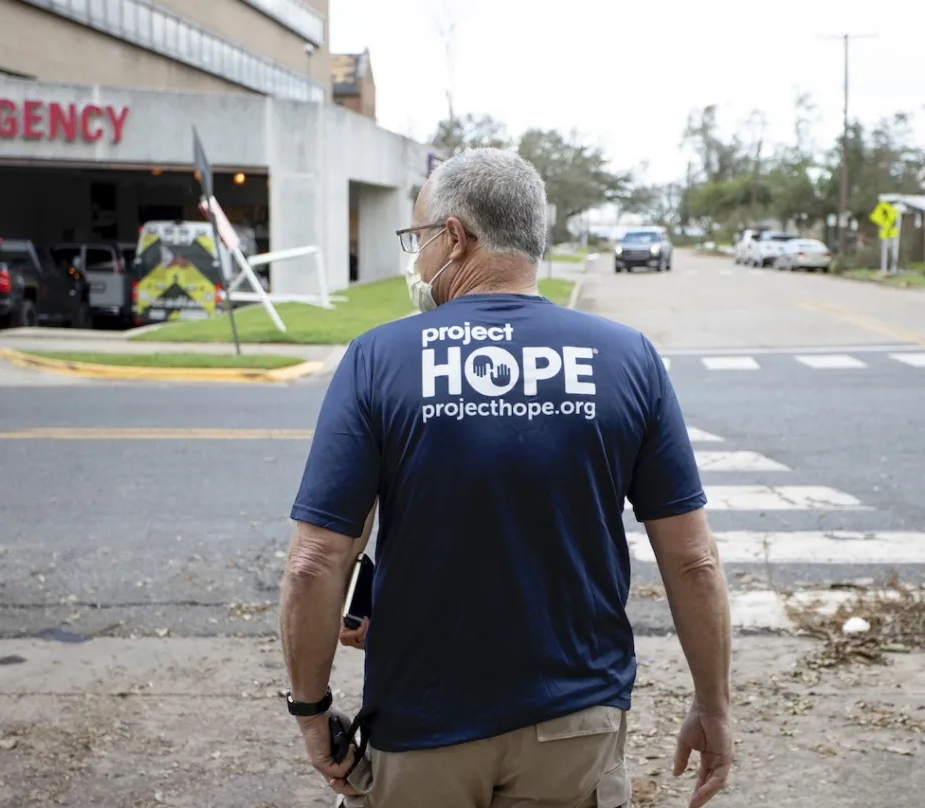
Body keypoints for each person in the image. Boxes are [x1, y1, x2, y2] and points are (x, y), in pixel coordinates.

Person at [279, 148, 733, 808]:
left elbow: (314, 561)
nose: (418, 259)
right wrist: (713, 704)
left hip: (422, 725)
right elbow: (693, 560)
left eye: (419, 239)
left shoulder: (379, 359)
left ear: (455, 237)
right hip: (576, 721)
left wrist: (311, 708)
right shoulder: (627, 358)